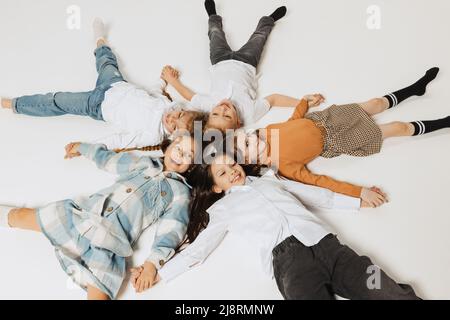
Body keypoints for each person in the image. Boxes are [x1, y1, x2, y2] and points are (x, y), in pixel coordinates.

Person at [152, 153, 420, 300]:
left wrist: (357, 200)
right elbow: (199, 249)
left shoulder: (271, 180)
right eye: (223, 173)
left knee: (383, 288)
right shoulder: (222, 209)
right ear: (216, 187)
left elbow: (316, 195)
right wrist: (160, 273)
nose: (233, 171)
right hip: (290, 265)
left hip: (329, 247)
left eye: (232, 164)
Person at [0, 134, 199, 299]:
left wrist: (152, 264)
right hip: (83, 216)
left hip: (110, 243)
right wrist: (84, 148)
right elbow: (110, 161)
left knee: (101, 293)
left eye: (189, 154)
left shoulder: (180, 192)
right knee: (20, 216)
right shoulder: (144, 163)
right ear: (169, 146)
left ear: (192, 166)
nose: (181, 154)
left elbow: (173, 229)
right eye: (178, 147)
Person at [233, 67, 446, 207]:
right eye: (247, 145)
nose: (251, 136)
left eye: (246, 136)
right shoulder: (284, 167)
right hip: (339, 140)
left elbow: (294, 121)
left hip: (327, 119)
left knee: (376, 103)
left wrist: (304, 102)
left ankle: (416, 89)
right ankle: (445, 122)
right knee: (398, 128)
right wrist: (360, 192)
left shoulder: (269, 132)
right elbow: (322, 182)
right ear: (253, 161)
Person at [0, 18, 207, 150]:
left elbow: (118, 141)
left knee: (57, 100)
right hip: (116, 84)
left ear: (173, 135)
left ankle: (13, 104)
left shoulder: (151, 134)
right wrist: (163, 80)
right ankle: (99, 39)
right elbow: (152, 91)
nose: (172, 117)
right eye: (179, 114)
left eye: (174, 123)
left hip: (96, 104)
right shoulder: (166, 106)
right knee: (106, 61)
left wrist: (86, 147)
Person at [161, 0, 288, 131]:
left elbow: (190, 96)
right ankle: (269, 19)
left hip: (219, 60)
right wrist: (302, 103)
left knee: (215, 33)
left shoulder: (208, 106)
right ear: (239, 122)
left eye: (215, 114)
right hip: (247, 62)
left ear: (210, 114)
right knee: (259, 37)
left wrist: (172, 80)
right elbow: (273, 99)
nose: (222, 109)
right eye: (227, 116)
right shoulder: (250, 114)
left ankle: (212, 15)